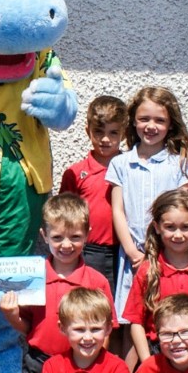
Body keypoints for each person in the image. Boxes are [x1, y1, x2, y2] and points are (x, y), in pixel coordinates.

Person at [0, 193, 114, 373]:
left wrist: (98, 359)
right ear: (45, 236)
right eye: (57, 237)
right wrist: (11, 314)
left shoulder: (96, 281)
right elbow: (27, 326)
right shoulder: (32, 277)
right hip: (38, 360)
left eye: (75, 237)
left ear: (88, 235)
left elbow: (107, 330)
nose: (66, 244)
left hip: (80, 360)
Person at [107, 86, 188, 323]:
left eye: (159, 120)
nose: (151, 126)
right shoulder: (121, 163)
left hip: (168, 256)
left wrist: (166, 252)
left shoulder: (179, 165)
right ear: (133, 121)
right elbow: (118, 210)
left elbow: (183, 212)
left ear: (170, 125)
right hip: (133, 256)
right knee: (131, 320)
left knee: (166, 315)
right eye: (144, 119)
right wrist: (131, 251)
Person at [123, 189, 188, 366]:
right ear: (157, 227)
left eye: (185, 227)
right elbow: (136, 323)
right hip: (157, 355)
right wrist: (148, 362)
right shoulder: (148, 271)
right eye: (170, 227)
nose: (178, 235)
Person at [61, 95, 128, 289]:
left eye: (113, 133)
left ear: (123, 134)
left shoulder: (132, 169)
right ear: (87, 131)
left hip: (126, 249)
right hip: (90, 251)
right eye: (99, 132)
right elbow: (65, 216)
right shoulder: (75, 173)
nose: (105, 139)